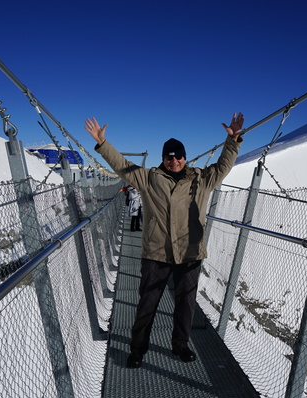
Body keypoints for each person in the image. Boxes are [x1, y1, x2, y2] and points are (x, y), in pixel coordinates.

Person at [84, 113, 244, 369]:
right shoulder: (148, 178)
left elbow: (224, 165)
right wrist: (103, 144)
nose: (174, 160)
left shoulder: (201, 179)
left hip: (190, 253)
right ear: (163, 158)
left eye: (178, 156)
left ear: (184, 157)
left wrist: (233, 140)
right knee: (147, 304)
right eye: (169, 156)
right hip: (156, 253)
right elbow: (122, 166)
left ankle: (180, 345)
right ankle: (137, 350)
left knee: (186, 305)